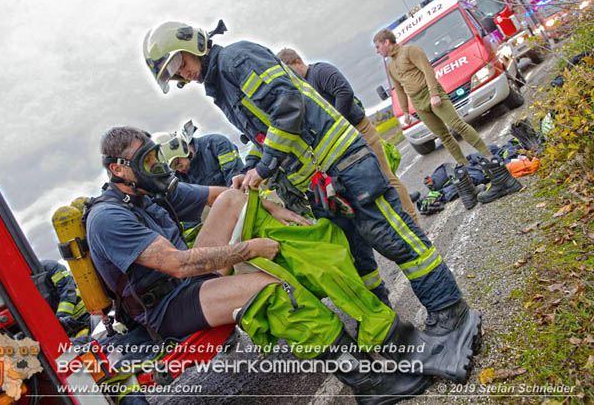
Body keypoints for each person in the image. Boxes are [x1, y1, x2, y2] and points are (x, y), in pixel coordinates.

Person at [141, 21, 481, 354]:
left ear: (193, 45)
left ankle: (450, 310)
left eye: (180, 64)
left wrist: (265, 166)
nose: (182, 74)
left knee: (394, 237)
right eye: (174, 74)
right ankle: (384, 325)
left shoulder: (236, 60)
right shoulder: (222, 86)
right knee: (352, 257)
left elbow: (287, 105)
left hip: (342, 162)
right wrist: (248, 168)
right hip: (321, 181)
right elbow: (264, 132)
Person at [85, 126, 480, 402]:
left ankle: (385, 334)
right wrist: (250, 249)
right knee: (269, 288)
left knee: (236, 198)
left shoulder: (145, 195)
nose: (158, 166)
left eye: (156, 156)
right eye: (147, 160)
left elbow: (223, 195)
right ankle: (366, 380)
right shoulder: (108, 217)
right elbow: (176, 265)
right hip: (166, 307)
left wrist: (269, 204)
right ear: (118, 168)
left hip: (189, 281)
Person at [373, 29, 521, 206]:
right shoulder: (390, 66)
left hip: (432, 94)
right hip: (418, 103)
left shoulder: (411, 50)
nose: (377, 51)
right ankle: (466, 168)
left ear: (387, 42)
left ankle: (488, 156)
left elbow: (428, 70)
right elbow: (399, 89)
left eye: (378, 46)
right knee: (443, 136)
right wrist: (405, 112)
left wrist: (434, 94)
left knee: (458, 125)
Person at [276, 48, 419, 224]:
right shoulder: (302, 89)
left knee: (384, 177)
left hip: (360, 130)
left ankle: (415, 226)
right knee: (367, 186)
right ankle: (396, 224)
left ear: (297, 61)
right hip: (343, 142)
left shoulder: (321, 71)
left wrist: (336, 123)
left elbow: (344, 92)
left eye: (290, 71)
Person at [155, 121, 244, 187]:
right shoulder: (177, 176)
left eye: (177, 164)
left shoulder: (217, 144)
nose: (179, 170)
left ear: (180, 149)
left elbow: (235, 177)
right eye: (174, 168)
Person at [40, 259, 91, 336]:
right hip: (66, 327)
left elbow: (68, 291)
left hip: (85, 315)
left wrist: (61, 317)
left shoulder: (51, 267)